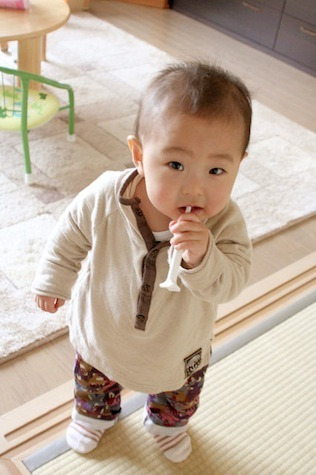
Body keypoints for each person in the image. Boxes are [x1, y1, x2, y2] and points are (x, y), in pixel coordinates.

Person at [33, 61, 252, 463]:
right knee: (93, 380)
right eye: (175, 164)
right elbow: (69, 235)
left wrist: (203, 257)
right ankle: (94, 417)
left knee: (179, 392)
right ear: (138, 154)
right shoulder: (104, 197)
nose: (195, 186)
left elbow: (233, 281)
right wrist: (53, 280)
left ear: (239, 163)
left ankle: (167, 425)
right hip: (104, 326)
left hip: (177, 342)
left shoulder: (224, 221)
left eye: (217, 169)